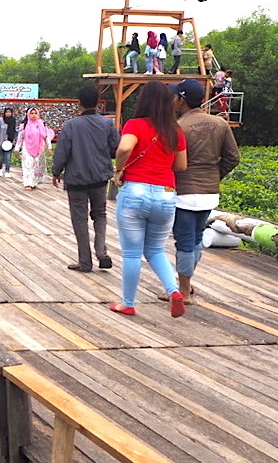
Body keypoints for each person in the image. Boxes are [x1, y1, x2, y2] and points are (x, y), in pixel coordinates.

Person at [110, 81, 188, 318]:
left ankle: (128, 303)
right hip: (165, 194)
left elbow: (124, 149)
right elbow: (181, 165)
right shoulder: (175, 131)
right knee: (155, 250)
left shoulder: (135, 125)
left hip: (135, 192)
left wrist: (118, 169)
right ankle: (174, 291)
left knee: (132, 253)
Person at [164, 79, 240, 304]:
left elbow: (171, 161)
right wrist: (215, 176)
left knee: (185, 242)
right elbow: (233, 158)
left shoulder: (178, 127)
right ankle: (186, 282)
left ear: (181, 99)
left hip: (185, 193)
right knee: (196, 239)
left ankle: (184, 291)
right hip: (209, 193)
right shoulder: (220, 124)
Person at [51, 85, 120, 273]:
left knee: (80, 219)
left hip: (76, 180)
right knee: (100, 214)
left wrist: (56, 171)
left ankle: (85, 261)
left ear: (78, 103)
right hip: (100, 178)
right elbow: (116, 148)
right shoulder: (107, 124)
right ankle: (101, 251)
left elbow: (62, 152)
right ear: (98, 103)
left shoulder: (71, 125)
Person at [14, 107, 53, 190]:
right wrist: (17, 149)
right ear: (28, 114)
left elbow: (46, 137)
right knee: (28, 165)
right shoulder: (24, 125)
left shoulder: (42, 125)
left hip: (39, 148)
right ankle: (27, 183)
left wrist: (49, 147)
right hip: (27, 148)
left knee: (36, 166)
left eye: (35, 113)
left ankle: (33, 182)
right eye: (31, 113)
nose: (33, 115)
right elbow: (20, 138)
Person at [0, 108, 17, 177]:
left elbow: (15, 131)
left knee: (8, 157)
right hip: (1, 141)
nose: (8, 113)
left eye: (10, 112)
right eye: (7, 112)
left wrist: (15, 141)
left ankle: (7, 171)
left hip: (10, 142)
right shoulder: (1, 120)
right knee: (1, 157)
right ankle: (0, 169)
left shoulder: (13, 120)